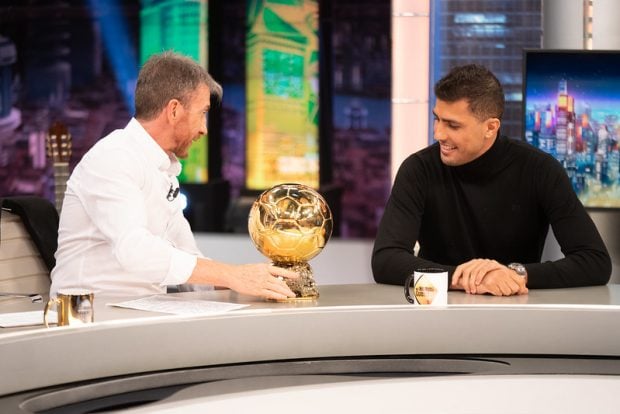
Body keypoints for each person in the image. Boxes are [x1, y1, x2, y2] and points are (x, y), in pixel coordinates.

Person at [50, 51, 298, 300]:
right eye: (202, 113)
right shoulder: (113, 158)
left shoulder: (163, 170)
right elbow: (135, 251)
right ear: (174, 110)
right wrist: (232, 275)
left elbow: (189, 261)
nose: (204, 128)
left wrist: (257, 282)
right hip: (89, 317)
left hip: (139, 314)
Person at [372, 64, 611, 296]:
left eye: (452, 125)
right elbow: (386, 260)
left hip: (515, 310)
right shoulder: (418, 169)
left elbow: (595, 262)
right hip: (437, 312)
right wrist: (470, 278)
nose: (438, 134)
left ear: (491, 127)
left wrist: (517, 274)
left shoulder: (540, 169)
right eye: (437, 119)